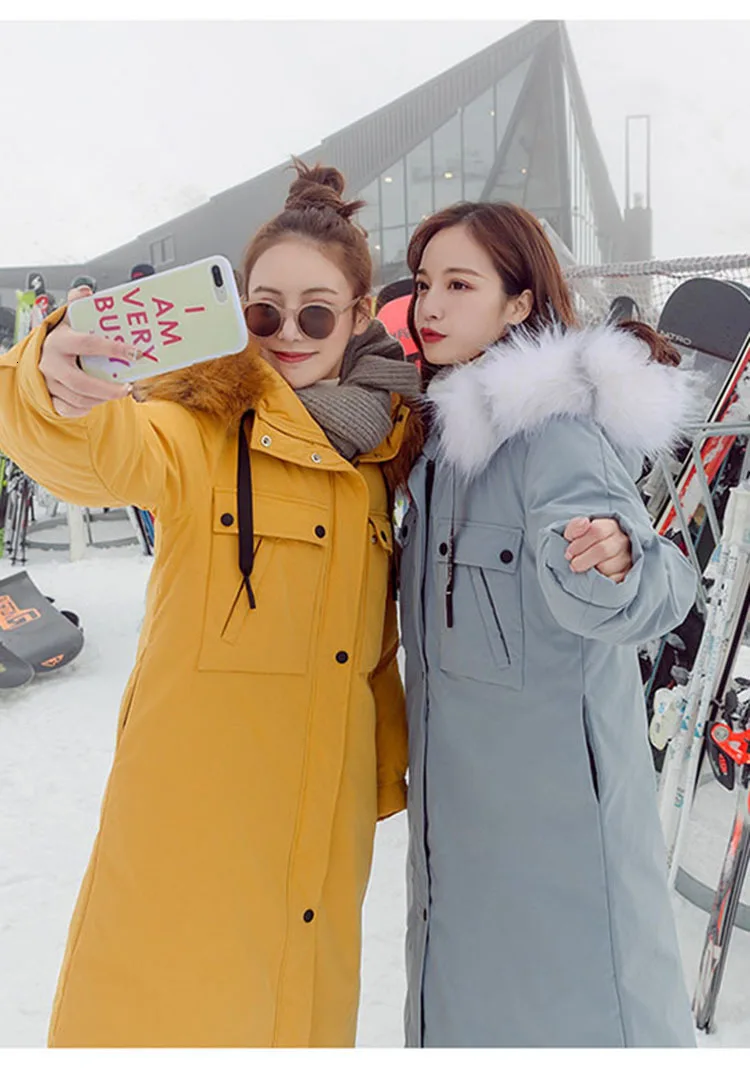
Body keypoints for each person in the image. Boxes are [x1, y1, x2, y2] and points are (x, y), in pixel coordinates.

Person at [0, 162, 424, 1048]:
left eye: (316, 313)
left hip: (323, 826)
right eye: (265, 312)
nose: (289, 334)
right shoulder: (200, 426)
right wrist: (52, 379)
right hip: (197, 824)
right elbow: (98, 449)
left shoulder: (383, 459)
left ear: (360, 315)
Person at [397, 201, 700, 1048]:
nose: (430, 305)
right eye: (424, 283)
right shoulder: (441, 444)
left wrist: (619, 561)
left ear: (520, 303)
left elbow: (659, 588)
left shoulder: (554, 434)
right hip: (459, 826)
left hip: (555, 833)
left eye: (460, 285)